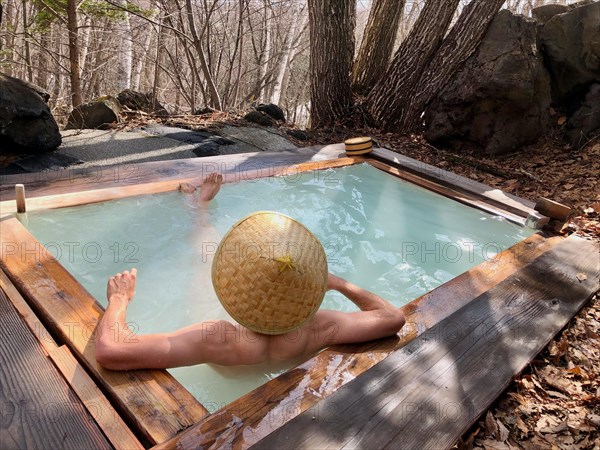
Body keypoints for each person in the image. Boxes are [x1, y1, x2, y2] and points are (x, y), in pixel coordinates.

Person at [95, 174, 405, 370]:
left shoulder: (216, 336)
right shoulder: (319, 326)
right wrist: (337, 283)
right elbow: (392, 318)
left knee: (203, 263)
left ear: (237, 290)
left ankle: (199, 208)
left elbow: (111, 351)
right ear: (307, 291)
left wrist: (120, 300)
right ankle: (200, 207)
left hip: (231, 350)